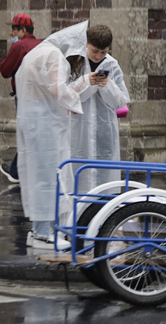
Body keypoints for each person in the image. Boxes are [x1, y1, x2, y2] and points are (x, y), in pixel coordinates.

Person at [16, 21, 100, 250]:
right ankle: (44, 233)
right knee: (50, 176)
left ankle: (38, 231)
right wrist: (76, 98)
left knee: (39, 176)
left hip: (32, 121)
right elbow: (57, 89)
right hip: (45, 124)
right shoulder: (54, 56)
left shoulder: (37, 52)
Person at [69, 25, 130, 195]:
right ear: (86, 44)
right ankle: (79, 216)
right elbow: (65, 96)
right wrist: (85, 81)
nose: (98, 56)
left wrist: (107, 84)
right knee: (78, 177)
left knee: (104, 181)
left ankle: (102, 216)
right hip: (78, 130)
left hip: (104, 131)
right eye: (94, 51)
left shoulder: (112, 64)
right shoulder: (74, 61)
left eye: (103, 52)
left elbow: (121, 101)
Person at [0, 13, 42, 184]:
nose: (11, 33)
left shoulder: (20, 46)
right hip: (42, 97)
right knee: (35, 133)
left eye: (14, 29)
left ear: (23, 30)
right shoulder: (41, 44)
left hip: (25, 97)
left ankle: (16, 172)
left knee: (26, 133)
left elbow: (5, 71)